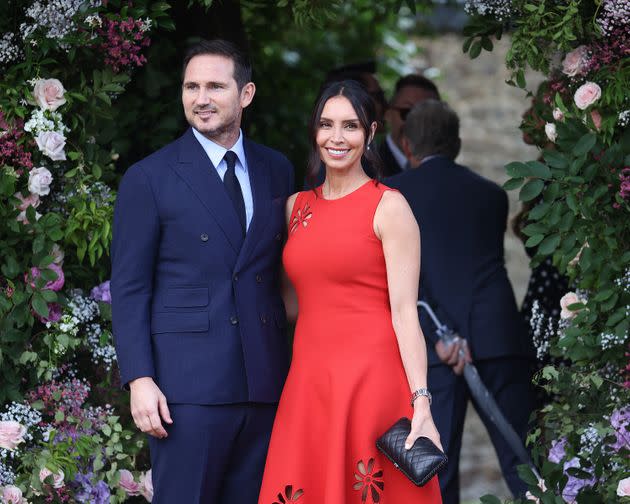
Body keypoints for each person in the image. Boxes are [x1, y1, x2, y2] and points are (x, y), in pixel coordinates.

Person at [111, 39, 294, 503]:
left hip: (265, 379)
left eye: (215, 86)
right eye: (191, 87)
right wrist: (139, 379)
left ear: (246, 94)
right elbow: (130, 287)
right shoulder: (149, 177)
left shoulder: (277, 169)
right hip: (185, 390)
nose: (201, 98)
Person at [258, 80, 443, 503]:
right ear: (314, 131)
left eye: (350, 126)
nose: (336, 138)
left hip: (371, 383)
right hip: (308, 384)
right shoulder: (294, 208)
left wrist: (422, 403)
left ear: (371, 132)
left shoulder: (389, 206)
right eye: (326, 124)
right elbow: (290, 303)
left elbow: (404, 313)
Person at [386, 99, 534, 504]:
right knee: (526, 463)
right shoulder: (491, 196)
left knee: (435, 474)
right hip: (496, 337)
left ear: (407, 144)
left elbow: (404, 280)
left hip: (432, 351)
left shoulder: (390, 197)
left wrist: (440, 335)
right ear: (457, 144)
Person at [379, 74, 441, 177]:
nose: (416, 123)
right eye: (407, 112)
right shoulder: (363, 169)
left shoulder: (444, 172)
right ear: (388, 114)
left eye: (427, 116)